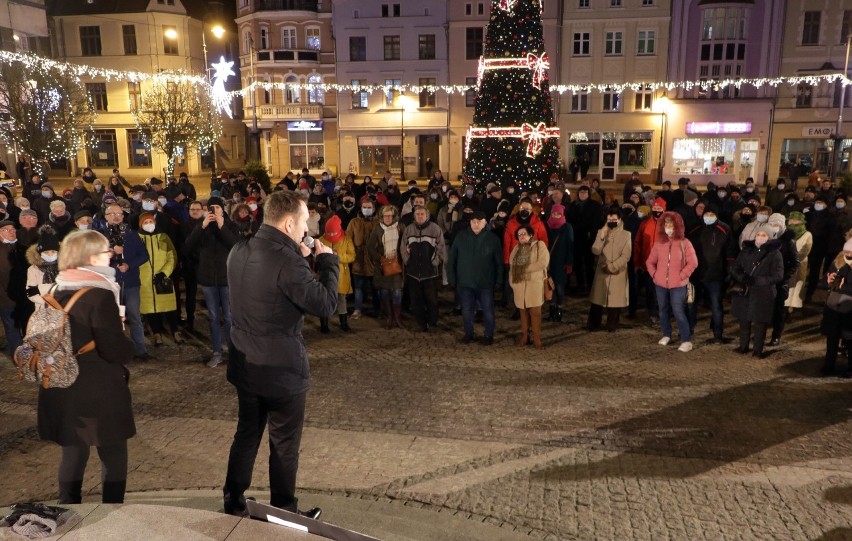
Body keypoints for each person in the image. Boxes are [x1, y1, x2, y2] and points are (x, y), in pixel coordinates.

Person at [223, 190, 335, 519]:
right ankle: (284, 510)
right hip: (281, 369)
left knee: (246, 433)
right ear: (288, 223)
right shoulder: (288, 262)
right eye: (303, 222)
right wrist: (327, 262)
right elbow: (325, 304)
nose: (307, 229)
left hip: (245, 363)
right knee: (284, 443)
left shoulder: (239, 250)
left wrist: (295, 256)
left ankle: (233, 499)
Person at [38, 230, 135, 504]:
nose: (111, 255)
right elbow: (114, 349)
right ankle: (112, 511)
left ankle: (68, 507)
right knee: (113, 450)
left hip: (61, 382)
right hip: (96, 388)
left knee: (73, 451)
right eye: (105, 252)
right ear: (90, 258)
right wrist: (127, 340)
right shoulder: (99, 294)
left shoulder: (57, 288)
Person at [185, 197, 240, 367]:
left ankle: (233, 352)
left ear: (223, 209)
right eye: (211, 207)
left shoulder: (231, 226)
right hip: (208, 279)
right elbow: (188, 247)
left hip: (226, 278)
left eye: (217, 207)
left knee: (230, 317)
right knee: (214, 317)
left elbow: (237, 246)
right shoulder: (201, 227)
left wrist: (223, 226)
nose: (214, 210)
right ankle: (217, 352)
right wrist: (201, 227)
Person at [98, 203, 151, 362]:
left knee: (135, 316)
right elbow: (95, 258)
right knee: (113, 318)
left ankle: (140, 350)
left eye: (119, 213)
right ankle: (115, 350)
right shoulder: (100, 236)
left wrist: (129, 265)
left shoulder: (132, 234)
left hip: (131, 282)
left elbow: (144, 255)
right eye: (112, 213)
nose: (116, 216)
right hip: (111, 283)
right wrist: (112, 254)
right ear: (106, 216)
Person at [645, 211, 698, 352]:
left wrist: (682, 276)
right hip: (660, 284)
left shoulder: (685, 243)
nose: (668, 227)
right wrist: (655, 275)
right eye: (666, 224)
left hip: (678, 285)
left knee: (678, 310)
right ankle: (666, 334)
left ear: (677, 226)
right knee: (662, 310)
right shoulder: (659, 243)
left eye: (671, 224)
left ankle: (686, 340)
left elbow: (693, 262)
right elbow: (650, 261)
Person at [448, 211, 503, 345]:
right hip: (465, 282)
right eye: (473, 221)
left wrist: (499, 280)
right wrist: (452, 278)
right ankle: (468, 333)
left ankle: (488, 335)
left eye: (479, 221)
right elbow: (452, 259)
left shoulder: (493, 239)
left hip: (485, 283)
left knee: (488, 310)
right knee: (467, 310)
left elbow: (498, 263)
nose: (476, 224)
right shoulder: (461, 237)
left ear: (485, 223)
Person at [730, 225, 784, 358]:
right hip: (746, 290)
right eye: (758, 234)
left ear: (770, 238)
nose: (760, 237)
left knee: (760, 322)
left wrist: (758, 281)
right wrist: (742, 277)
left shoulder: (775, 253)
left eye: (764, 235)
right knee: (744, 320)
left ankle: (757, 350)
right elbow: (735, 267)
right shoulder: (747, 250)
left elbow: (778, 275)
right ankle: (743, 346)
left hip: (763, 293)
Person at [687, 209, 734, 343]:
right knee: (691, 304)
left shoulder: (724, 229)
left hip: (715, 275)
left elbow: (730, 250)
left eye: (712, 215)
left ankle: (717, 334)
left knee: (716, 305)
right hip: (695, 274)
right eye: (706, 215)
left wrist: (729, 269)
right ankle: (689, 331)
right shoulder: (694, 228)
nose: (708, 217)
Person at [137, 213, 183, 347]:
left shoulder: (163, 237)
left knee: (170, 307)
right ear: (140, 224)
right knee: (150, 309)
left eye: (150, 221)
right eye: (145, 222)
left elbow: (172, 256)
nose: (148, 224)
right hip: (145, 280)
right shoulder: (137, 238)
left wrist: (164, 273)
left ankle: (175, 331)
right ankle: (157, 333)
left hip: (163, 278)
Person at [401, 206, 446, 332]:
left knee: (432, 300)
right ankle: (420, 323)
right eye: (417, 214)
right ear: (414, 216)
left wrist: (435, 262)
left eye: (422, 214)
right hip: (413, 272)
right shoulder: (409, 229)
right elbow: (403, 247)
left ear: (427, 216)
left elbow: (441, 247)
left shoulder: (435, 229)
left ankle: (432, 323)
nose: (420, 216)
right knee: (416, 300)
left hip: (429, 272)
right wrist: (407, 261)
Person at [588, 208, 632, 332]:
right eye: (609, 219)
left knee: (615, 301)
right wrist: (602, 235)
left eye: (614, 219)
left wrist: (613, 267)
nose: (611, 221)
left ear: (619, 220)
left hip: (618, 271)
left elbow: (626, 255)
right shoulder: (601, 232)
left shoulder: (626, 235)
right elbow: (595, 250)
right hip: (602, 271)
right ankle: (594, 324)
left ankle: (612, 324)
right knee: (597, 299)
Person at [509, 225, 549, 349]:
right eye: (519, 234)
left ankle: (537, 338)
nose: (521, 236)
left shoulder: (539, 245)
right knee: (523, 312)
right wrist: (512, 284)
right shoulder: (516, 249)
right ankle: (525, 336)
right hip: (520, 286)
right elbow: (512, 267)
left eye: (524, 233)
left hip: (534, 285)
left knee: (535, 312)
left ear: (531, 234)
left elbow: (542, 263)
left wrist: (525, 269)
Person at [368, 204, 406, 329]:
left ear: (394, 216)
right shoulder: (378, 228)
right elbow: (370, 246)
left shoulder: (400, 227)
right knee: (384, 292)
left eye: (390, 215)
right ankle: (389, 317)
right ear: (382, 216)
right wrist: (380, 259)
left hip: (397, 265)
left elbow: (405, 243)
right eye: (385, 216)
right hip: (383, 266)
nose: (388, 218)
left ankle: (397, 317)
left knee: (397, 293)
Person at [820, 238, 852, 377]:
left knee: (850, 339)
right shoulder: (838, 261)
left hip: (850, 309)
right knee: (832, 338)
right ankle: (828, 365)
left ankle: (850, 368)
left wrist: (844, 287)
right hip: (834, 305)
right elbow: (825, 280)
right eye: (846, 251)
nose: (848, 254)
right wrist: (829, 279)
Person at [766, 213, 799, 347]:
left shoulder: (788, 241)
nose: (774, 227)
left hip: (780, 281)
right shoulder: (766, 237)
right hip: (766, 280)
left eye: (776, 225)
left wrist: (784, 276)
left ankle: (776, 336)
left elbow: (795, 262)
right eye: (771, 224)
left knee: (779, 309)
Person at [319, 215, 355, 333]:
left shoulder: (346, 239)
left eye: (334, 234)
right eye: (330, 234)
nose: (332, 236)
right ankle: (324, 324)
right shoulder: (321, 240)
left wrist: (339, 257)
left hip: (341, 275)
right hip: (326, 275)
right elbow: (316, 257)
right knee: (324, 299)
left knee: (341, 299)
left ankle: (344, 323)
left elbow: (352, 256)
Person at [634, 198, 666, 323]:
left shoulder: (669, 225)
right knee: (650, 290)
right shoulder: (645, 224)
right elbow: (637, 244)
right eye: (655, 208)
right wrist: (637, 263)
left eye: (659, 208)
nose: (657, 210)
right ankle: (653, 312)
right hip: (648, 265)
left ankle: (664, 312)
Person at [346, 199, 378, 319]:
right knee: (358, 287)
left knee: (375, 288)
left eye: (369, 207)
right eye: (364, 207)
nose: (366, 209)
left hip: (373, 260)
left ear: (374, 209)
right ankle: (357, 309)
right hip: (358, 259)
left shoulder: (378, 222)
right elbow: (348, 239)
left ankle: (377, 309)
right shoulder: (354, 222)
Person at [0, 220, 27, 358]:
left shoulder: (23, 248)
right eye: (6, 230)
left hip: (24, 297)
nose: (11, 231)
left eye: (13, 229)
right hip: (6, 299)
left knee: (26, 327)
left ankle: (28, 355)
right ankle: (19, 358)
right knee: (12, 329)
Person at [545, 204, 574, 322]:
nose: (555, 216)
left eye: (558, 214)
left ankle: (559, 309)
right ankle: (552, 309)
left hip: (561, 262)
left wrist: (569, 263)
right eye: (553, 213)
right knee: (550, 287)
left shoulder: (567, 227)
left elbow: (570, 245)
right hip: (548, 262)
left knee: (560, 288)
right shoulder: (547, 225)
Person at [784, 212, 812, 318]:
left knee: (795, 286)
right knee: (787, 285)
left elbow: (806, 249)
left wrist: (794, 259)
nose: (791, 222)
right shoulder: (786, 231)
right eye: (790, 220)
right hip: (787, 262)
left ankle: (790, 309)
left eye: (794, 220)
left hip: (799, 263)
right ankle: (784, 306)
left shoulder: (807, 234)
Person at [25, 226, 60, 308]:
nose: (50, 254)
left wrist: (40, 288)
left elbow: (68, 288)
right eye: (46, 252)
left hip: (65, 307)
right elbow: (30, 292)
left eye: (53, 251)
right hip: (43, 308)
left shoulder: (65, 266)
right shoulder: (33, 269)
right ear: (40, 253)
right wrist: (50, 304)